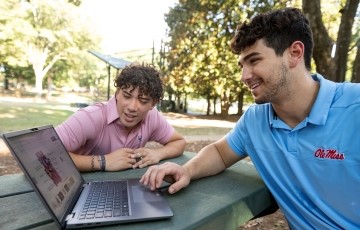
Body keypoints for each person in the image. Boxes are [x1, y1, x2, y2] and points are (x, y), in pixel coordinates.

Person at [140, 8, 360, 229]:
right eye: (242, 65)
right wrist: (186, 170)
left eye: (254, 60)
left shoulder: (354, 108)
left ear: (294, 53)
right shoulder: (255, 120)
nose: (244, 76)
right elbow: (220, 152)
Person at [55, 63, 186, 172]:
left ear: (153, 103)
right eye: (127, 96)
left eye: (143, 100)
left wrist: (157, 153)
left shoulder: (152, 117)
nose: (132, 107)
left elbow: (179, 142)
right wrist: (103, 162)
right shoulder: (90, 117)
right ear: (117, 93)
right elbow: (48, 155)